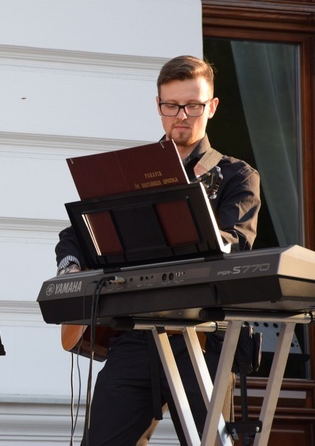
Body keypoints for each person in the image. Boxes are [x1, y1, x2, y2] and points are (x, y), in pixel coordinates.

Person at [55, 55, 261, 445]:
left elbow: (235, 246)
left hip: (202, 337)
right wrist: (71, 271)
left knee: (208, 443)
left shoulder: (236, 175)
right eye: (171, 105)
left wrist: (194, 220)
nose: (181, 115)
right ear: (158, 106)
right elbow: (75, 235)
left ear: (212, 107)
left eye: (193, 105)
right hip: (136, 333)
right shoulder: (131, 171)